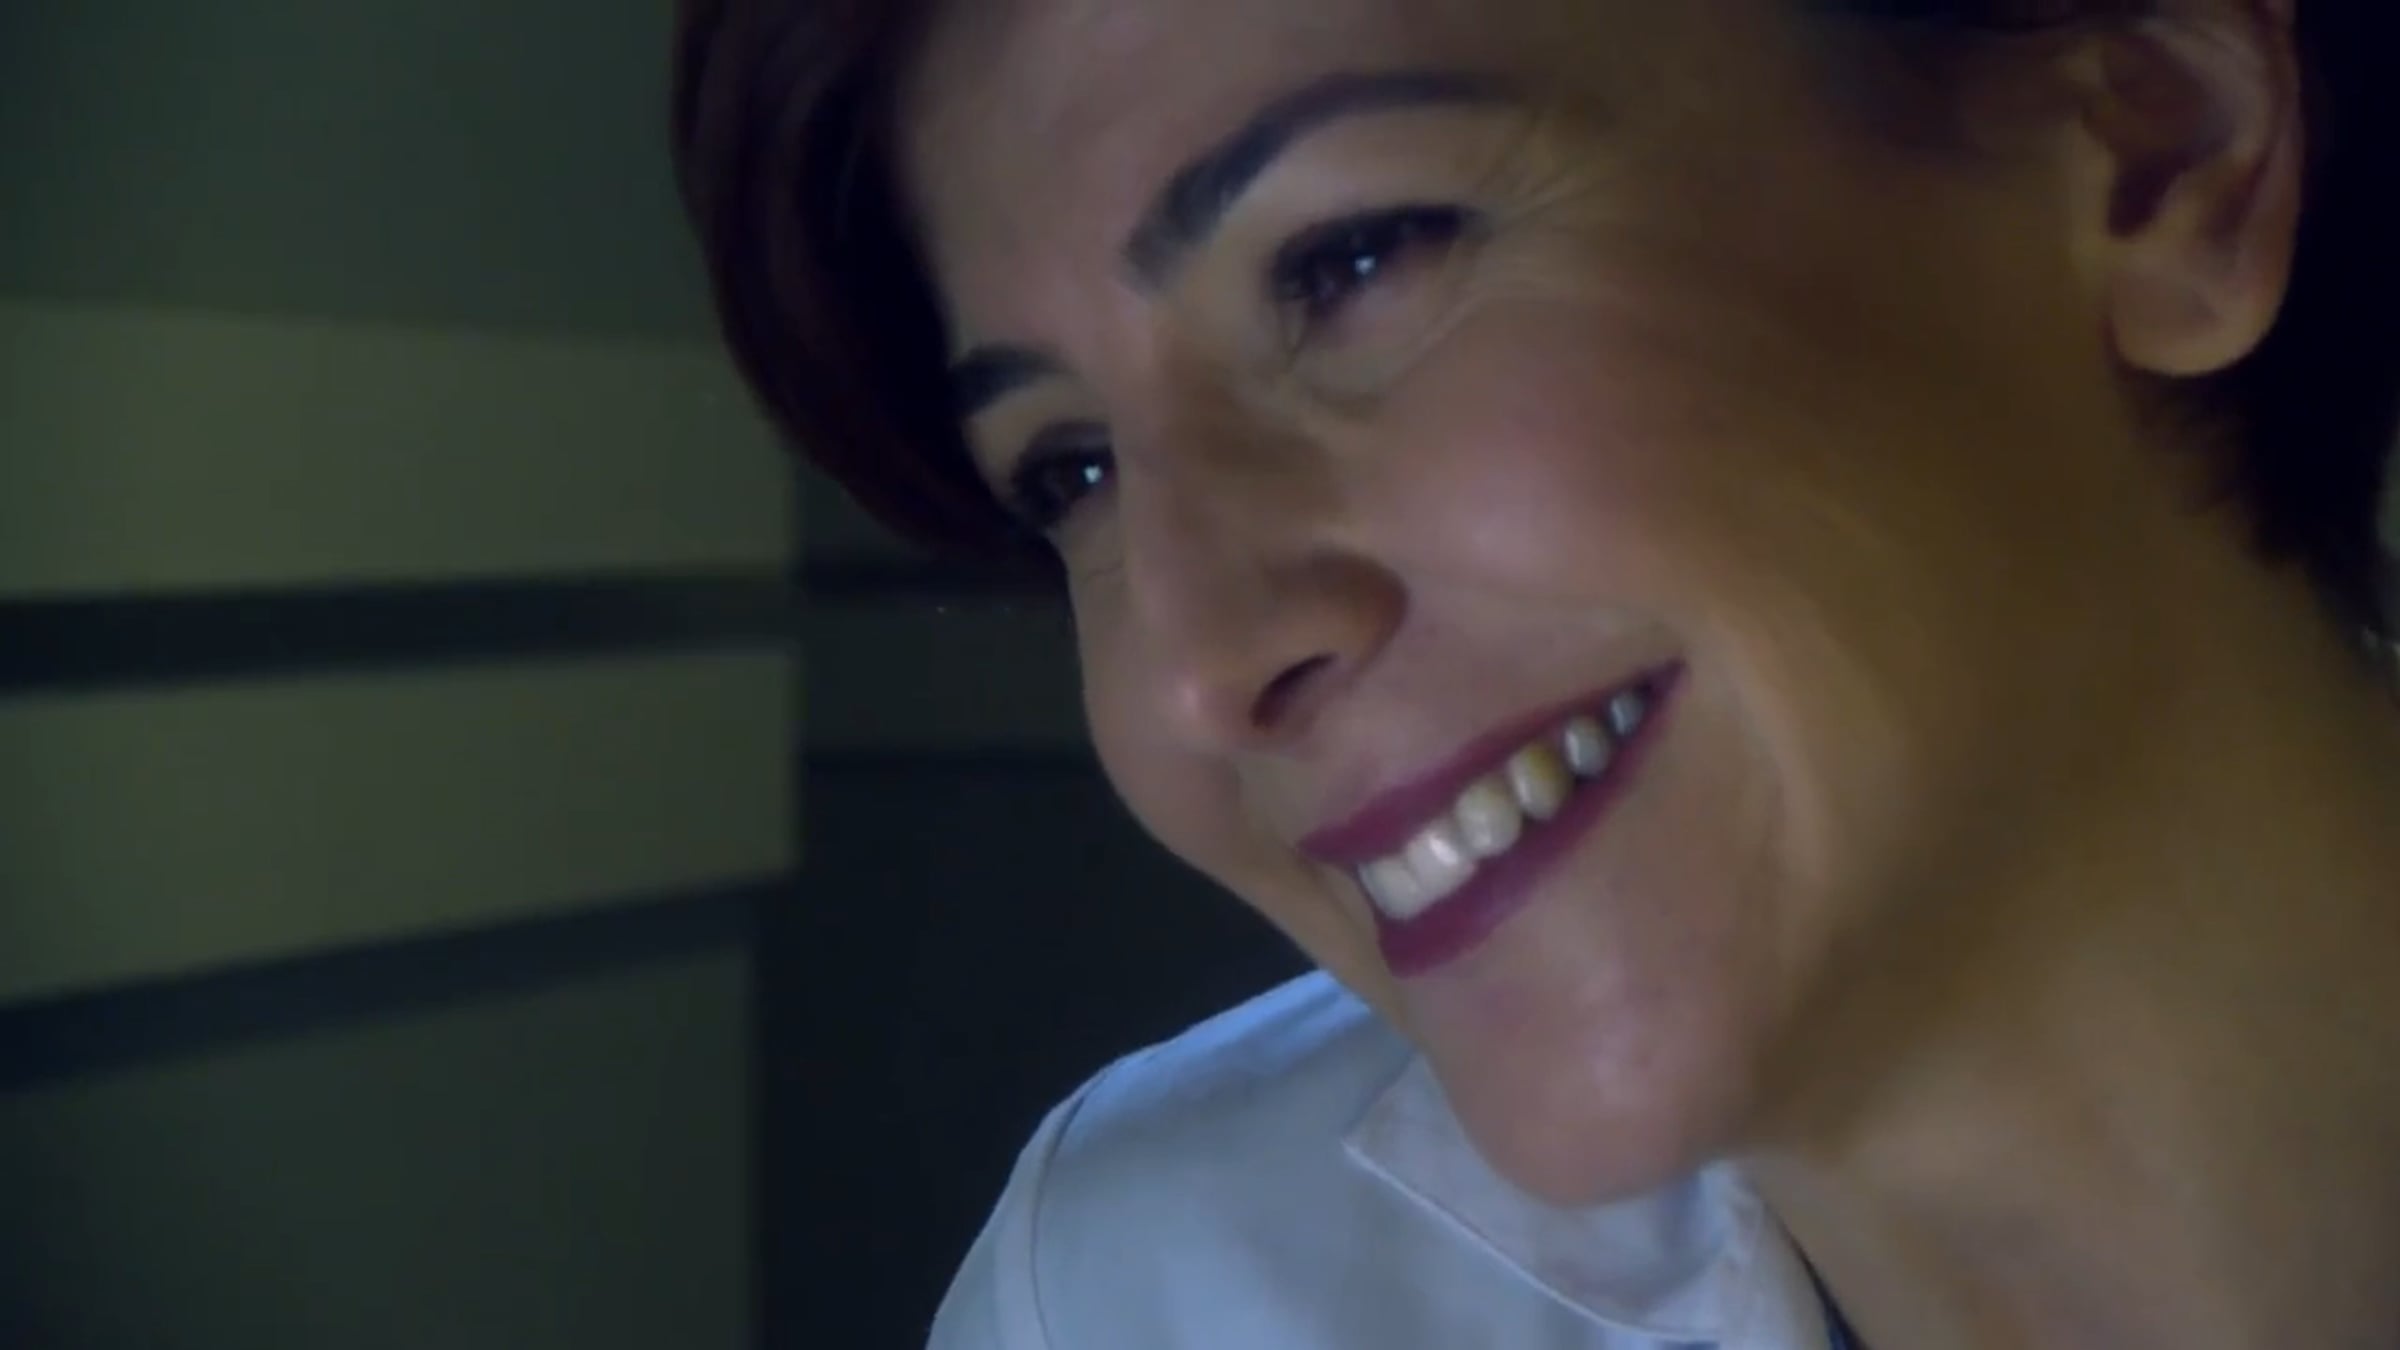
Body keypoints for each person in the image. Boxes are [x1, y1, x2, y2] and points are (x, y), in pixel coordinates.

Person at [673, 1, 2400, 1345]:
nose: (1196, 662)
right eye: (1072, 469)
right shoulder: (1138, 1297)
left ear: (2160, 148)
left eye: (1351, 261)